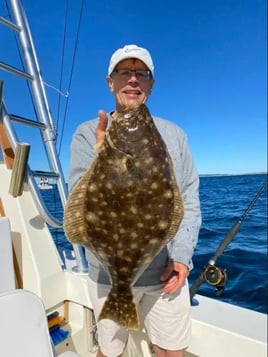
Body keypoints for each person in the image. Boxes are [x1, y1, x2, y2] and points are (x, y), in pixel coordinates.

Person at [68, 44, 201, 357]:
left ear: (151, 84)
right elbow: (80, 198)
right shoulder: (88, 133)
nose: (132, 80)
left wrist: (181, 254)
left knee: (171, 351)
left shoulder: (174, 134)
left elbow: (189, 199)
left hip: (163, 271)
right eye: (124, 72)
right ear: (110, 81)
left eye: (141, 73)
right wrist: (104, 157)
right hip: (107, 274)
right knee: (109, 351)